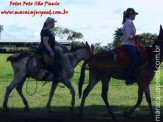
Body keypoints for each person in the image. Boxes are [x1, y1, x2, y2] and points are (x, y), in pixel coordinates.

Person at [38, 17, 66, 81]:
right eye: (53, 23)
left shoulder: (48, 31)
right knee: (58, 58)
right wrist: (51, 51)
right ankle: (56, 76)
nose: (54, 25)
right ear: (49, 23)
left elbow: (53, 41)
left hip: (48, 48)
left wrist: (61, 45)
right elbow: (45, 42)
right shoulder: (46, 31)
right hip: (45, 49)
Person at [122, 8, 143, 85]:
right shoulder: (128, 23)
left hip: (131, 44)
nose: (135, 16)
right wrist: (136, 36)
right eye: (134, 14)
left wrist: (136, 37)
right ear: (130, 14)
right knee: (136, 59)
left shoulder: (129, 23)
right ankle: (128, 77)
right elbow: (128, 36)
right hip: (128, 44)